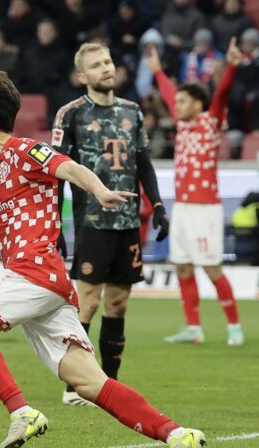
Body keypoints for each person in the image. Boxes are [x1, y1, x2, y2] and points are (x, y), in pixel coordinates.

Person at [0, 71, 206, 448]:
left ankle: (21, 411)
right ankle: (177, 435)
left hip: (34, 272)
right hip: (42, 284)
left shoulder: (28, 151)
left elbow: (70, 168)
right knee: (87, 382)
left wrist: (99, 190)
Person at [51, 43, 169, 406]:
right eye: (96, 64)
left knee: (118, 305)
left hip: (128, 223)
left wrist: (159, 205)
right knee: (87, 304)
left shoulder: (132, 112)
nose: (106, 68)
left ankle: (110, 385)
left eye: (108, 61)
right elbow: (56, 173)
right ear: (82, 76)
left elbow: (144, 163)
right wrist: (55, 225)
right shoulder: (70, 114)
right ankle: (76, 384)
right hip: (92, 222)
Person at [147, 38, 244, 346]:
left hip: (205, 209)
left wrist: (231, 66)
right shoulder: (183, 125)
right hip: (184, 208)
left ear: (198, 103)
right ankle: (193, 328)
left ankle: (234, 327)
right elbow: (166, 93)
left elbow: (223, 94)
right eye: (177, 103)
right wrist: (159, 72)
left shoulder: (211, 122)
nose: (177, 106)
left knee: (212, 267)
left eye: (183, 102)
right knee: (183, 265)